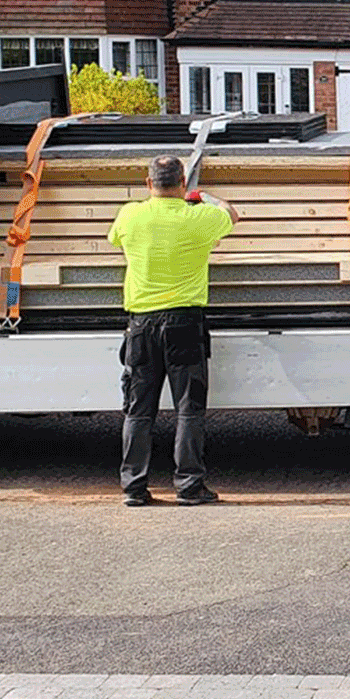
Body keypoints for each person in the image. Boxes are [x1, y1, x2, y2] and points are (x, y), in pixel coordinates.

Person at [108, 154, 238, 506]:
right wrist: (204, 197)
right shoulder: (199, 217)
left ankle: (133, 488)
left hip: (141, 325)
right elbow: (233, 214)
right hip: (185, 324)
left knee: (138, 409)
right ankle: (189, 486)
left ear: (148, 184)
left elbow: (115, 241)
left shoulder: (130, 214)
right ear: (183, 184)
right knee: (189, 408)